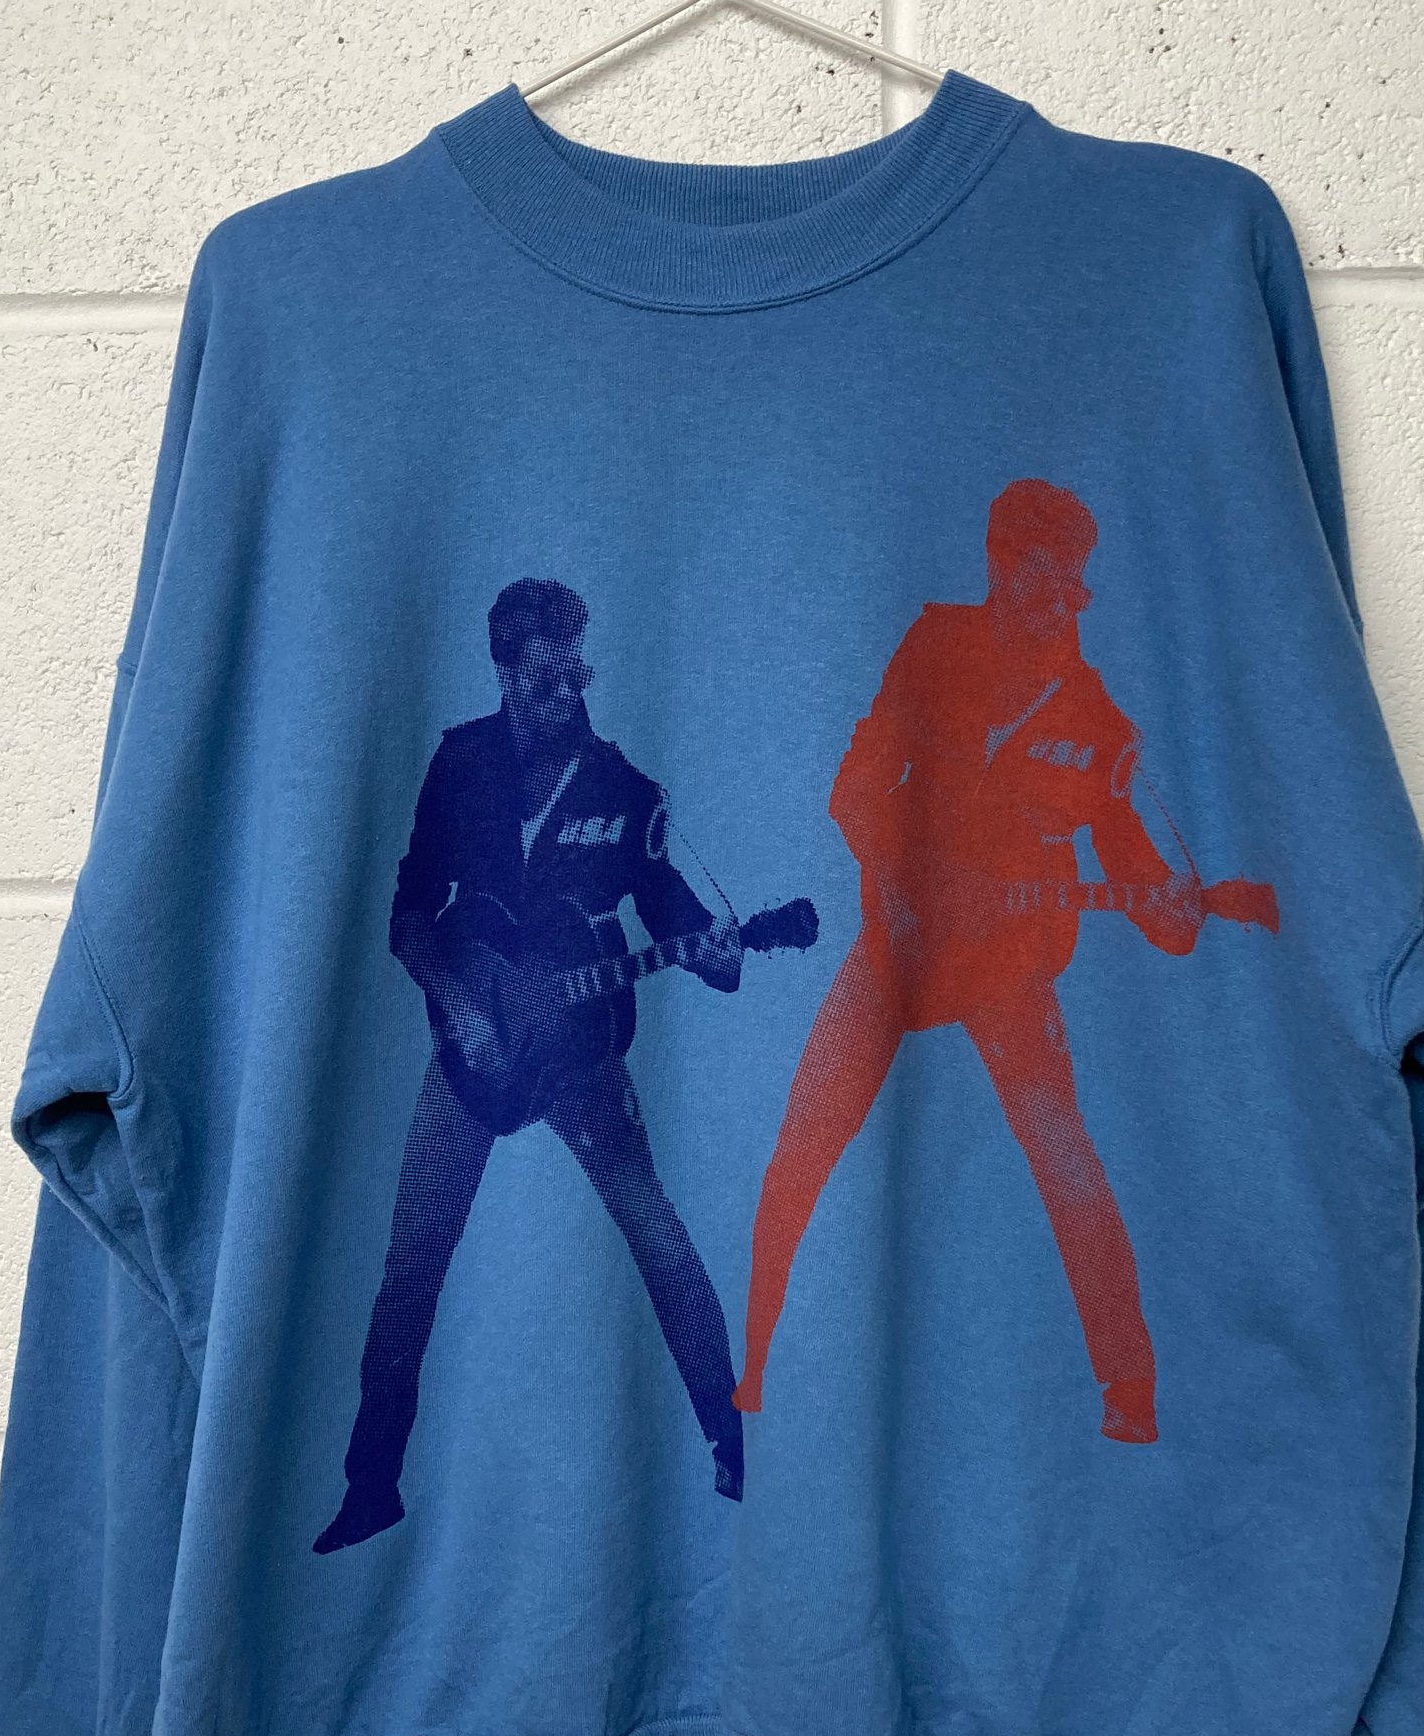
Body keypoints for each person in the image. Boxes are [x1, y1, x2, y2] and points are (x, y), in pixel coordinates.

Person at [734, 477, 1216, 1446]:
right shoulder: (934, 644)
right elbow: (857, 785)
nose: (1061, 603)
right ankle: (747, 1370)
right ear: (998, 566)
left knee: (1065, 1158)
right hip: (897, 948)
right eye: (1041, 578)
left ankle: (1130, 1389)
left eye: (1073, 584)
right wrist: (904, 893)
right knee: (801, 1141)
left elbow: (1143, 884)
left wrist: (1175, 906)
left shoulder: (1097, 722)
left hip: (1007, 967)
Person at [314, 578, 746, 1552]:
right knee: (410, 1264)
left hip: (581, 1054)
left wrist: (716, 951)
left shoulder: (623, 788)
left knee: (658, 1237)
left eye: (574, 672)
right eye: (543, 677)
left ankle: (732, 1444)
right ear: (504, 672)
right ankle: (369, 1488)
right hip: (473, 1050)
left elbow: (667, 905)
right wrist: (463, 1011)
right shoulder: (459, 763)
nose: (564, 693)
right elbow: (408, 914)